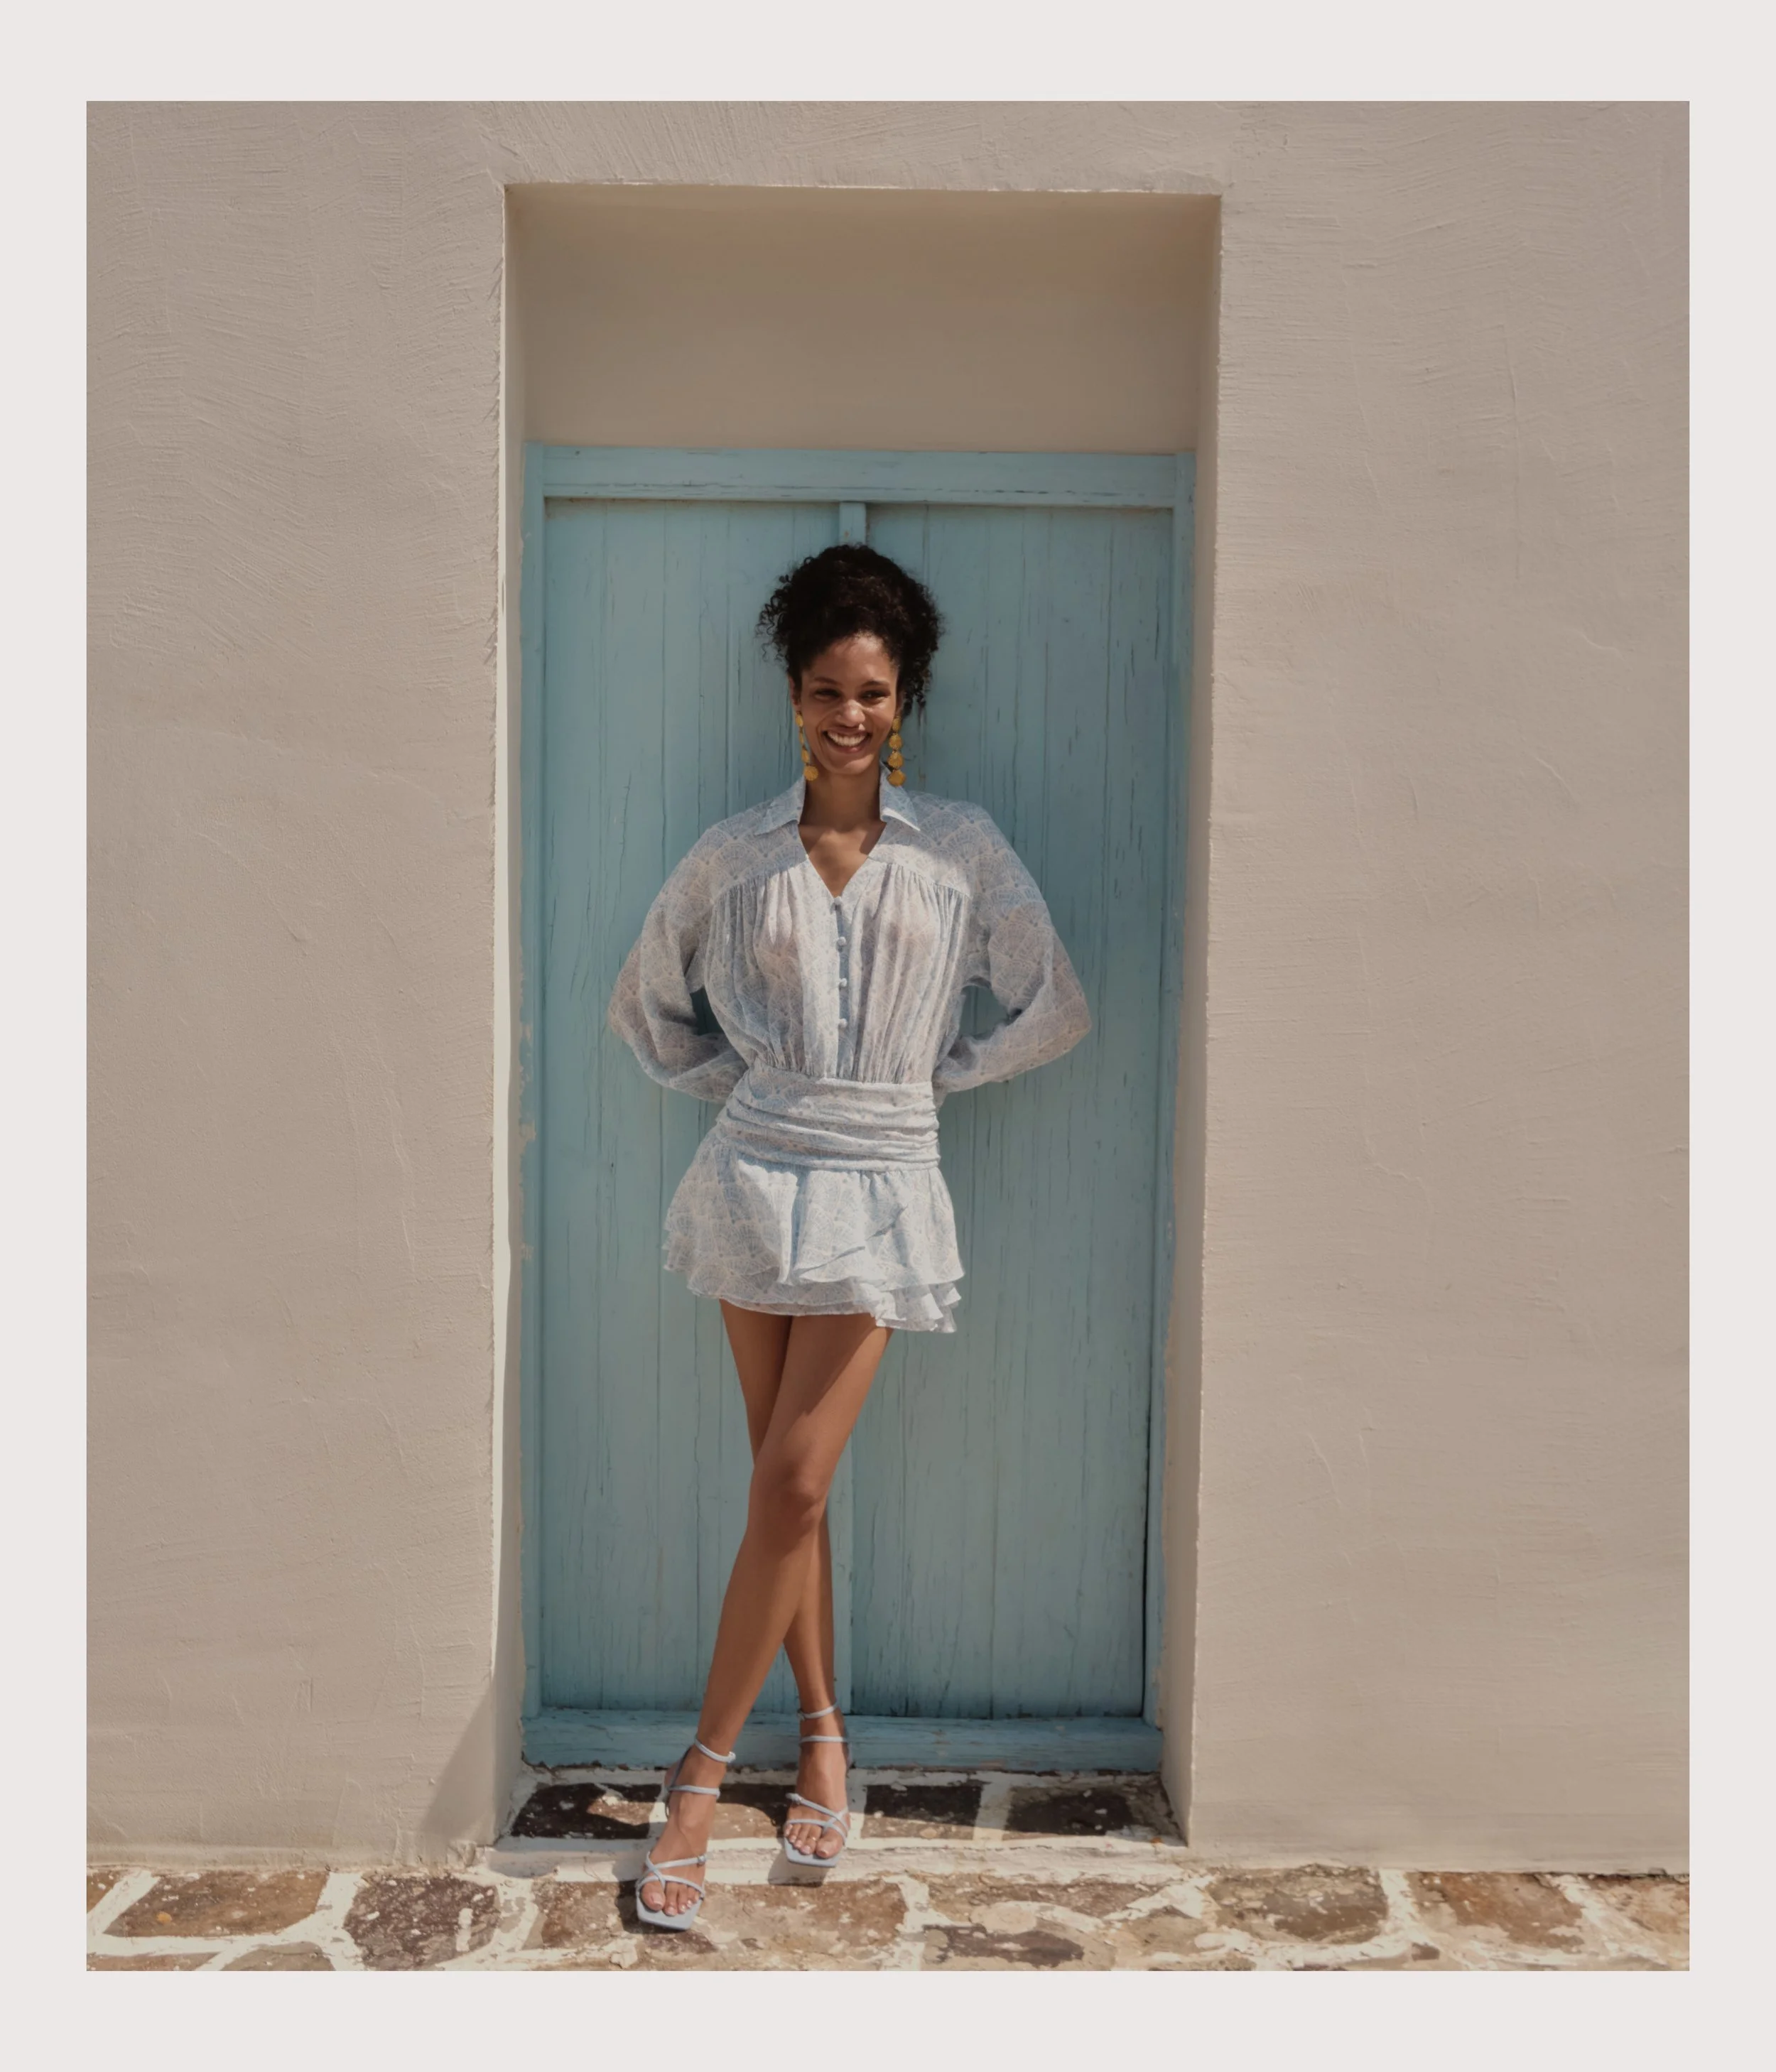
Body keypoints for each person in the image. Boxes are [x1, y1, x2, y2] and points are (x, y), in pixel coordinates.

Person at [606, 542, 1090, 1926]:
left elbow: (1049, 1001)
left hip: (882, 1178)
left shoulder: (959, 856)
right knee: (783, 1485)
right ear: (793, 694)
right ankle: (821, 1728)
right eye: (825, 689)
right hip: (754, 1173)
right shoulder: (733, 856)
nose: (848, 715)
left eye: (872, 692)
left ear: (904, 699)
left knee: (792, 1484)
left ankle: (697, 1777)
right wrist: (746, 1092)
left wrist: (936, 1083)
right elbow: (646, 1004)